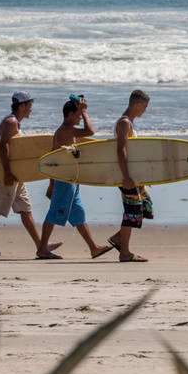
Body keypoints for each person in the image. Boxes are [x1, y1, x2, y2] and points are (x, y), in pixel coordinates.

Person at [0, 91, 62, 259]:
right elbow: (3, 148)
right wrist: (7, 173)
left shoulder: (14, 122)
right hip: (9, 175)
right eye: (29, 106)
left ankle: (41, 246)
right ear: (22, 106)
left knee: (25, 210)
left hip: (17, 175)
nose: (31, 109)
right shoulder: (10, 122)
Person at [37, 96, 116, 259]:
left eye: (81, 114)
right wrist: (85, 111)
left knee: (78, 214)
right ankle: (42, 249)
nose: (80, 117)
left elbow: (53, 157)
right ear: (70, 114)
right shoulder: (66, 130)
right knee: (54, 213)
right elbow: (90, 131)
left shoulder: (63, 130)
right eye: (78, 114)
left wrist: (51, 184)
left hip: (71, 180)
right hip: (65, 180)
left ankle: (93, 248)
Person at [107, 89, 152, 263]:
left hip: (134, 175)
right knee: (132, 212)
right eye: (145, 106)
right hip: (127, 175)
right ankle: (124, 253)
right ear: (137, 104)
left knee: (145, 207)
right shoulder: (124, 123)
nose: (145, 110)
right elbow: (121, 150)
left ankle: (119, 238)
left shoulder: (128, 123)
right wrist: (126, 177)